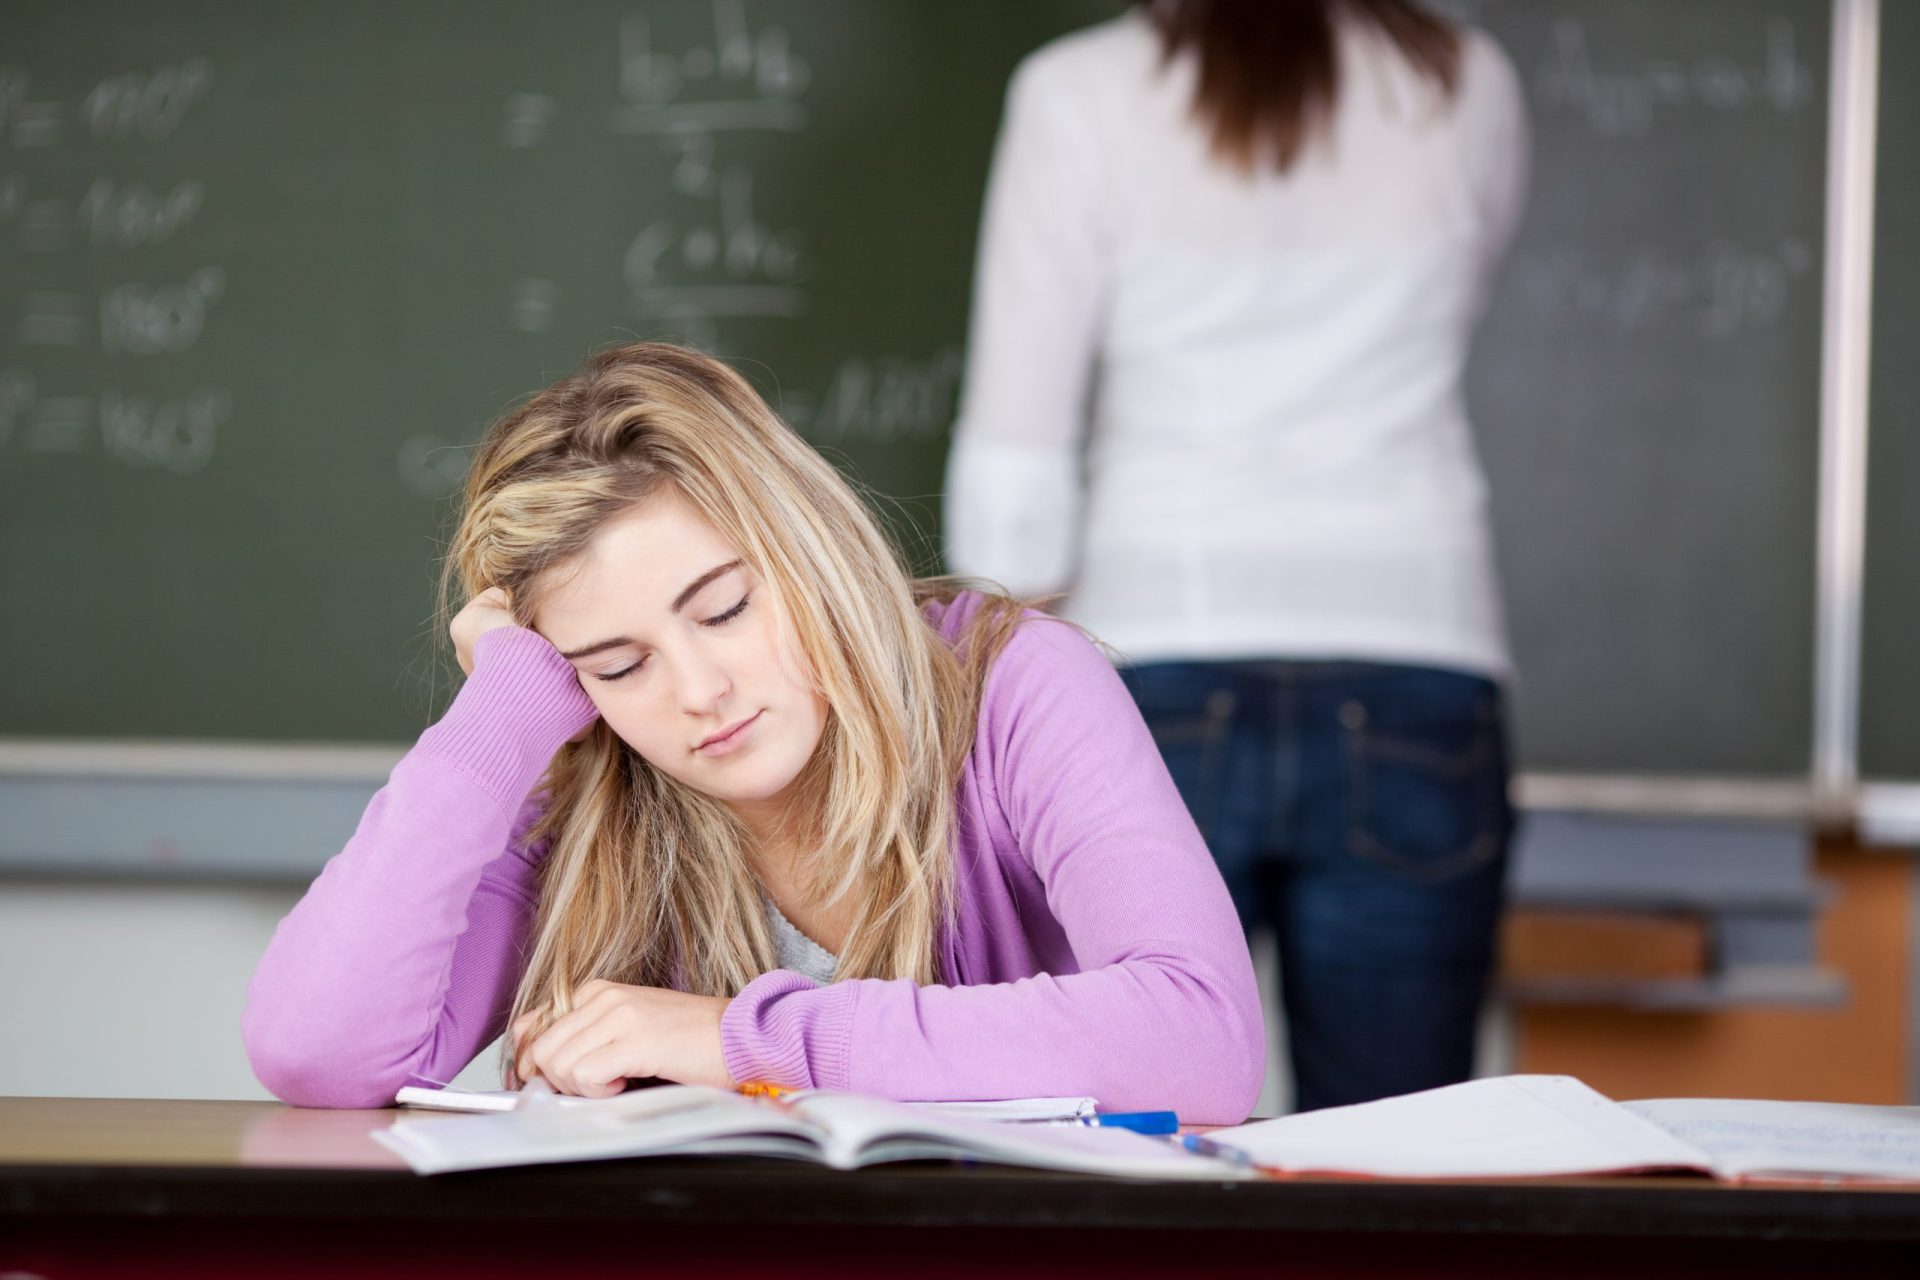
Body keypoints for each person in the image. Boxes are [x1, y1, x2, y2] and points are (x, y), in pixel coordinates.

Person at [242, 341, 1264, 1122]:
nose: (698, 691)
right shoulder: (582, 766)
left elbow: (1200, 1038)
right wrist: (502, 711)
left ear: (803, 544)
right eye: (618, 662)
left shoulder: (1013, 682)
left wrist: (740, 1038)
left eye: (724, 607)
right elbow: (315, 1051)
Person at [943, 0, 1527, 1112]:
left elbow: (1019, 440)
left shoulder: (1079, 92)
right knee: (1399, 1148)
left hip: (1153, 648)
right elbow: (1464, 297)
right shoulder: (1464, 82)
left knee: (1119, 1122)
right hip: (1417, 650)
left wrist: (991, 672)